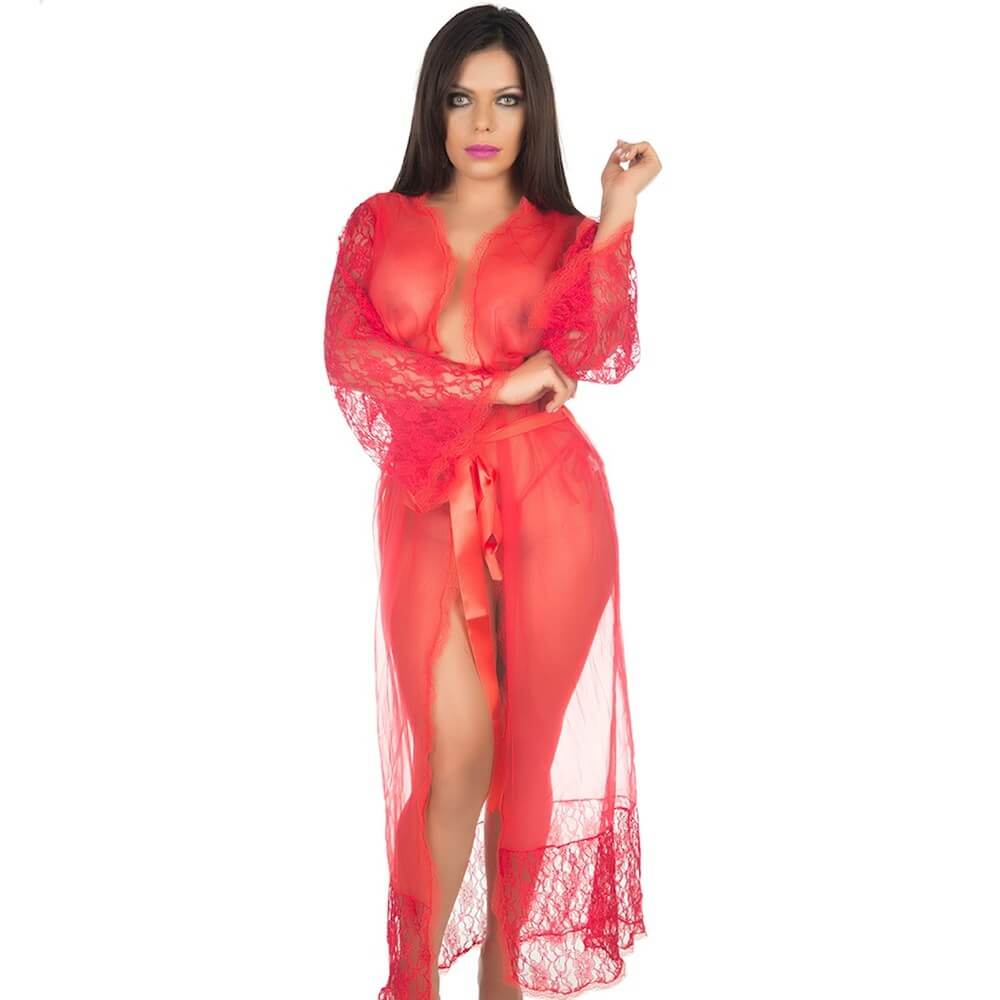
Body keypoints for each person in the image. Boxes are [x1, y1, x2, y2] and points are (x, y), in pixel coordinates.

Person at [323, 7, 661, 998]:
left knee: (525, 770)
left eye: (505, 99)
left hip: (555, 506)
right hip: (430, 506)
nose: (482, 121)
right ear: (432, 107)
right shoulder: (379, 222)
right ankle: (411, 984)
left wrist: (618, 209)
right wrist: (496, 384)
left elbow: (596, 346)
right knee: (456, 757)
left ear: (532, 110)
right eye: (461, 97)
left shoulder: (563, 234)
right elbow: (351, 354)